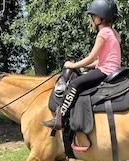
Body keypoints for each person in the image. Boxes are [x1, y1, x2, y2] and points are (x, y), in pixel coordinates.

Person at [43, 0, 121, 130]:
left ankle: (60, 118)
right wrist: (83, 66)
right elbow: (99, 61)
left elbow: (91, 57)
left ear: (101, 17)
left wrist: (73, 65)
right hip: (109, 68)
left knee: (75, 84)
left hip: (105, 71)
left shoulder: (103, 33)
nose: (93, 19)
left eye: (94, 16)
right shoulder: (112, 32)